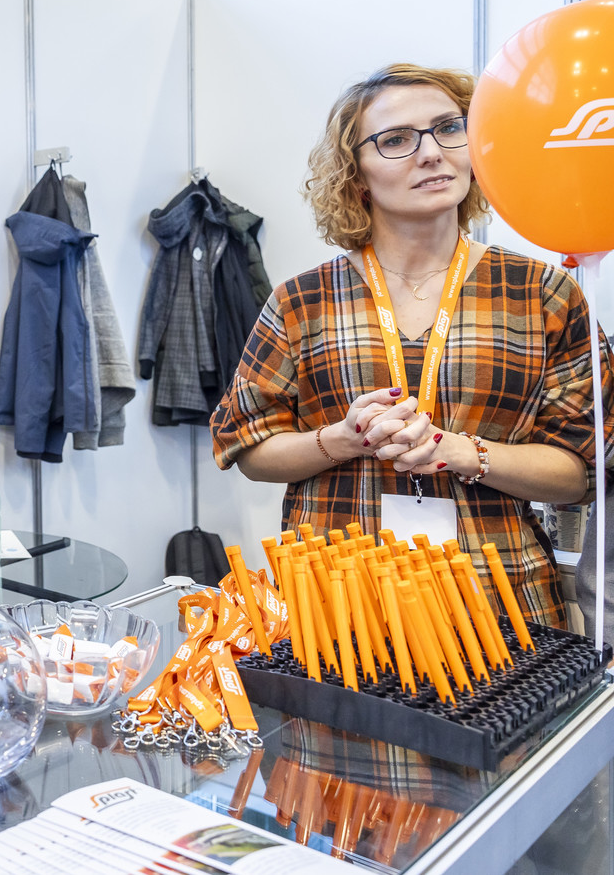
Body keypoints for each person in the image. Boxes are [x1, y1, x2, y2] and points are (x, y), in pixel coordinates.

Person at [210, 63, 612, 626]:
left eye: (449, 128)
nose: (431, 153)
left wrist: (461, 452)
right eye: (396, 140)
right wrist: (343, 439)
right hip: (336, 608)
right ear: (355, 176)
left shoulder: (543, 293)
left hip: (500, 606)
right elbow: (248, 449)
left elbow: (583, 471)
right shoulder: (303, 300)